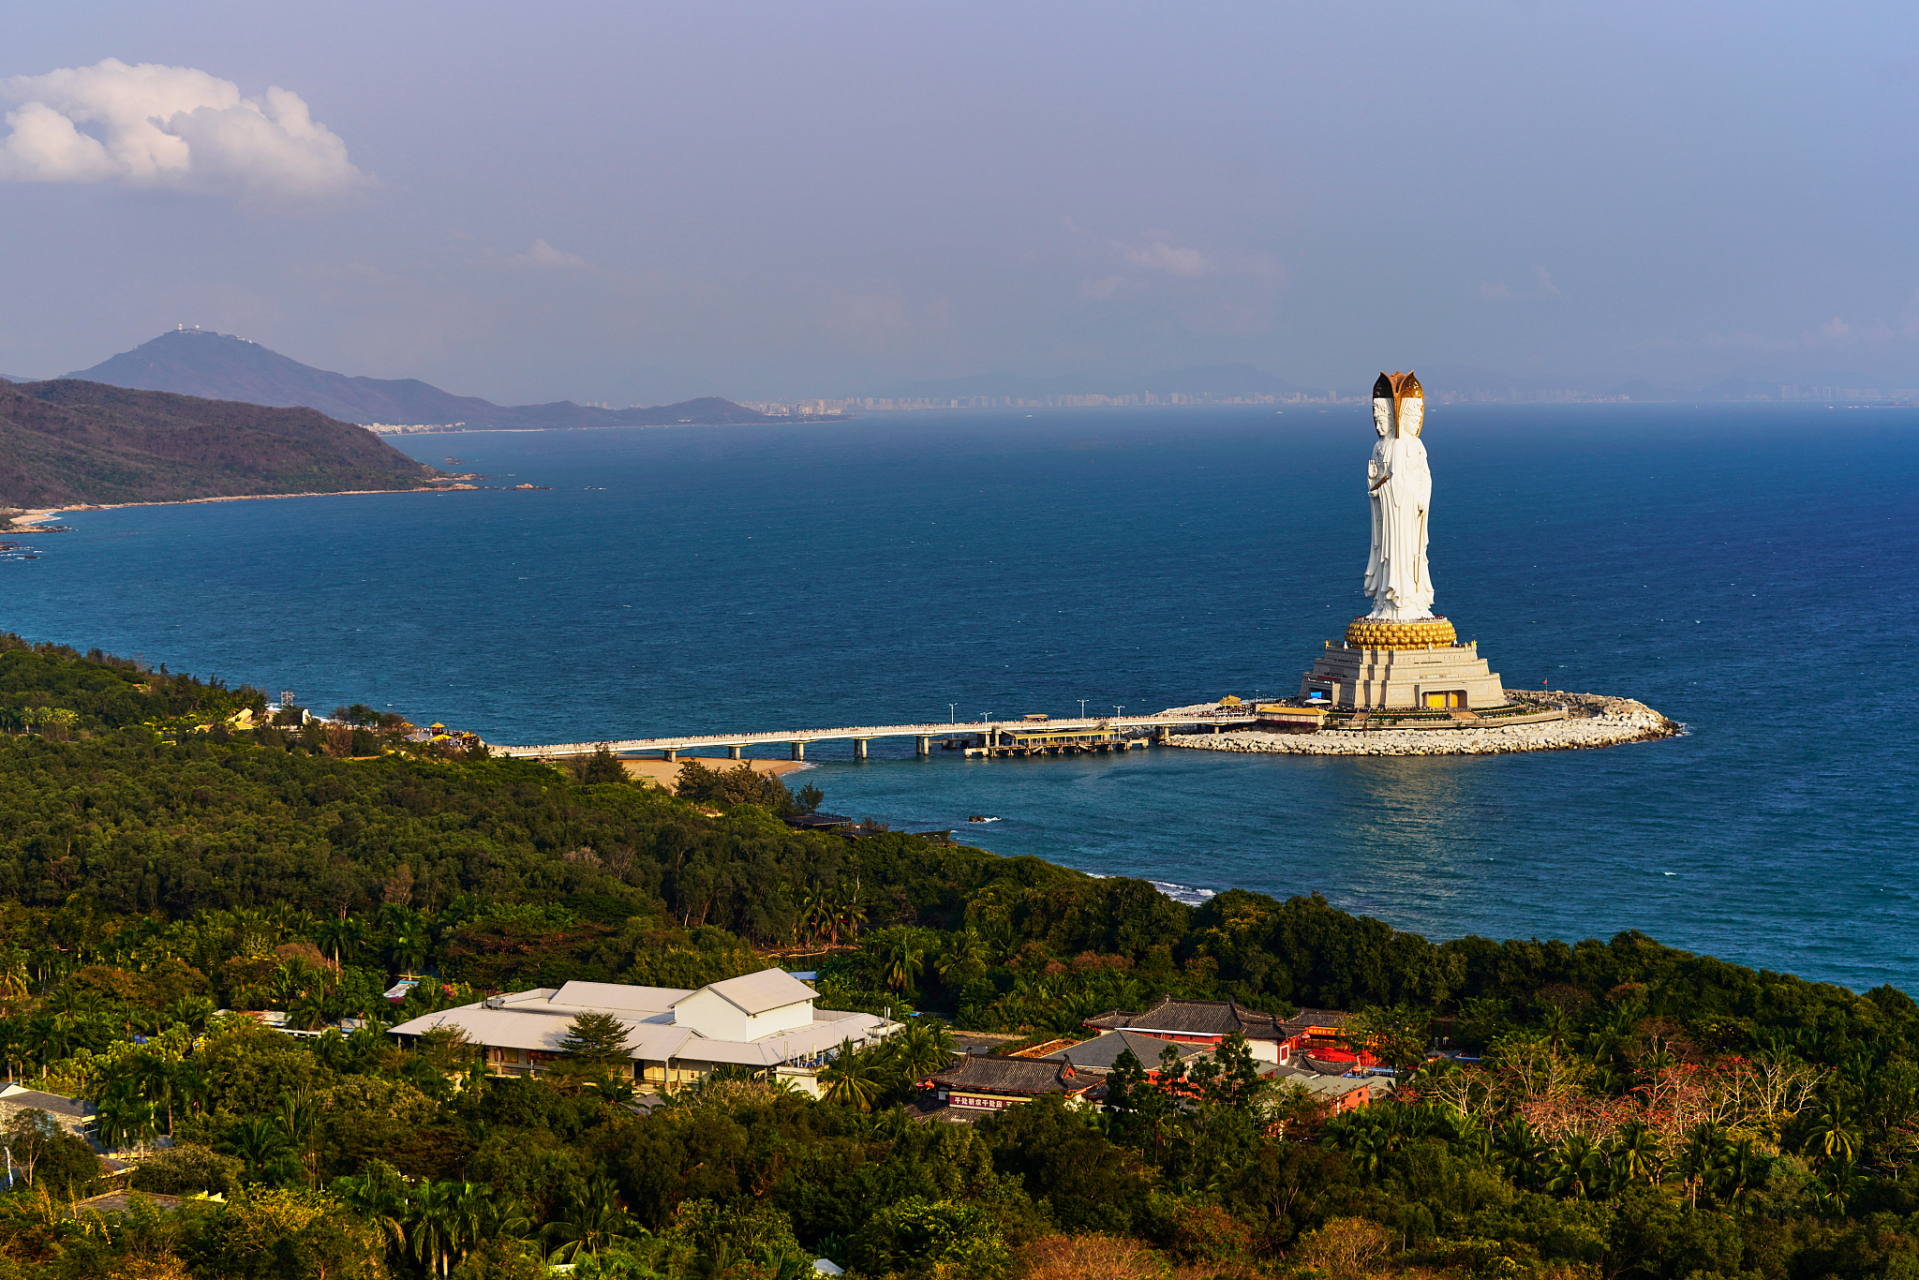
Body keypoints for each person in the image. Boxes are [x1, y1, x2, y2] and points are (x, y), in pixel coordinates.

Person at [1364, 372, 1435, 621]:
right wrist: (1375, 486)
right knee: (1389, 554)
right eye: (1376, 420)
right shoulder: (1385, 445)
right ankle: (1387, 602)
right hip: (1392, 510)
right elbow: (1388, 479)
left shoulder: (1413, 445)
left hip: (1407, 509)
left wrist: (1421, 497)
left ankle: (1410, 601)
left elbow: (1425, 477)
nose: (1416, 424)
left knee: (1410, 553)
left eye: (1417, 419)